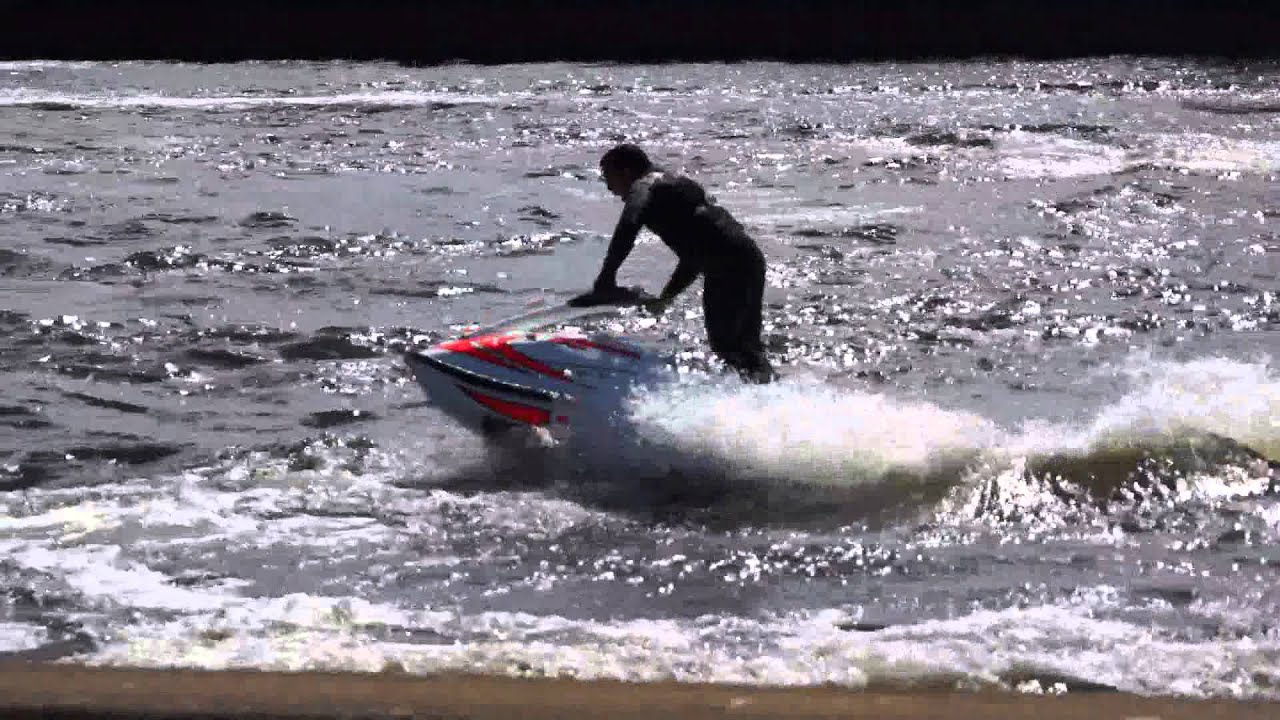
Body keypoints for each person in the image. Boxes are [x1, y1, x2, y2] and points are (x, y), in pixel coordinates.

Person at [569, 143, 776, 383]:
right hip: (745, 260)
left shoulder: (646, 185)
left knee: (730, 346)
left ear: (626, 171)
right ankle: (768, 392)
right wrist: (667, 296)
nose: (609, 189)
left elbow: (628, 225)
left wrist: (605, 280)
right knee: (743, 347)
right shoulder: (673, 188)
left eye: (609, 178)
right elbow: (696, 255)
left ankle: (760, 393)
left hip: (730, 267)